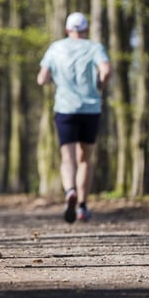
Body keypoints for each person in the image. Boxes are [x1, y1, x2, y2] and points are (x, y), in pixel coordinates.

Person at [37, 12, 111, 223]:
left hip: (65, 108)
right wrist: (100, 86)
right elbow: (106, 70)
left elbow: (41, 79)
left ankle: (70, 191)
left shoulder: (55, 48)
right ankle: (82, 206)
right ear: (86, 29)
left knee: (67, 157)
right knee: (85, 158)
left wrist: (54, 79)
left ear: (68, 29)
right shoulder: (95, 47)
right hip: (91, 109)